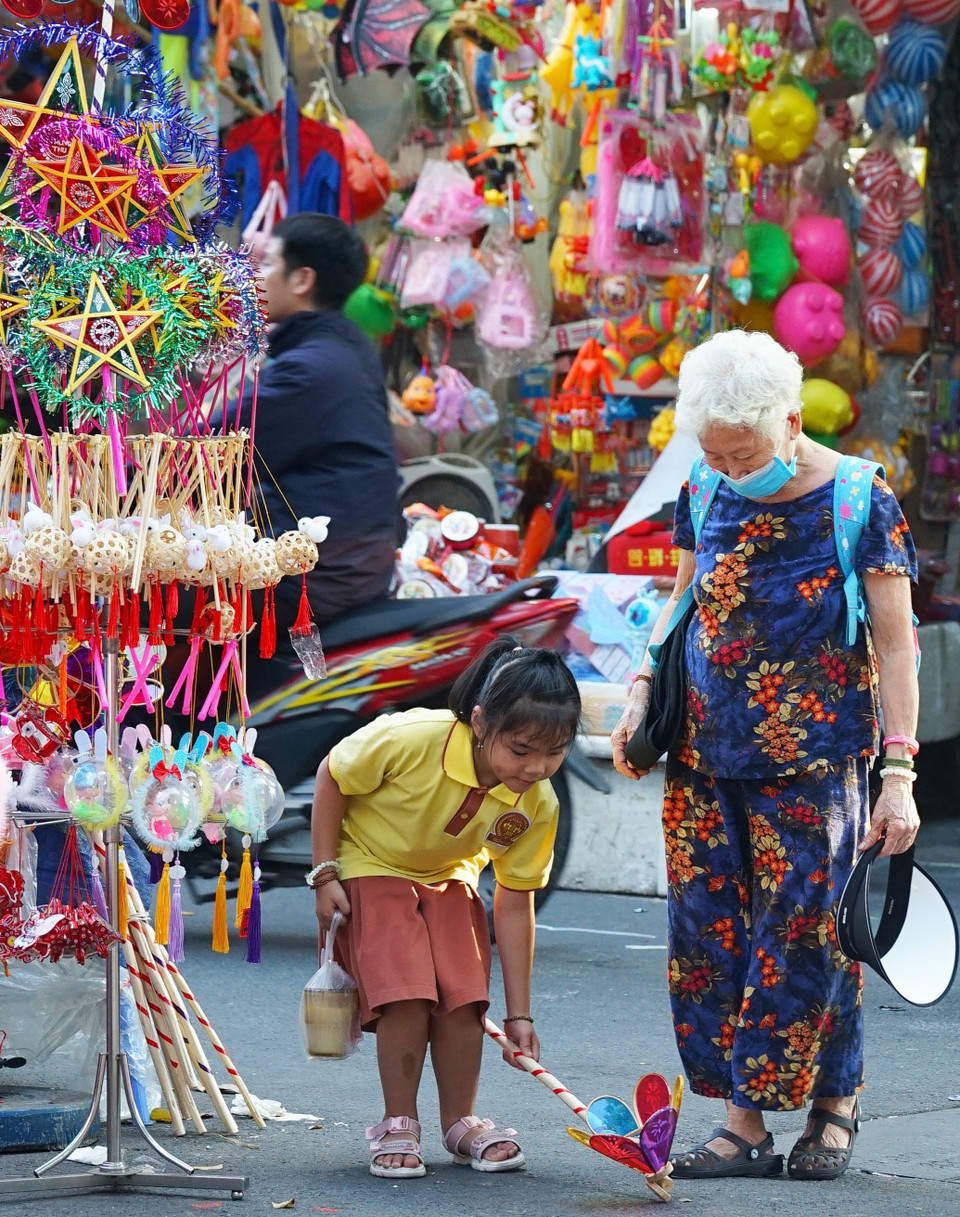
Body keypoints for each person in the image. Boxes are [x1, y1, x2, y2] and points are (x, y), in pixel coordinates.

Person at [610, 330, 920, 1182]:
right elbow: (679, 602)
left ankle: (834, 1102)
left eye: (744, 454)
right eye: (714, 453)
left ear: (790, 422)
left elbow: (897, 648)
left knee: (812, 935)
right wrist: (641, 691)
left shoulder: (860, 498)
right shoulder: (705, 482)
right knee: (708, 935)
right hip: (705, 756)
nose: (730, 470)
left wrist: (899, 774)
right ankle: (740, 1121)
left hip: (817, 760)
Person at [308, 639, 581, 1178]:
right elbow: (333, 775)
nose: (537, 767)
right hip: (370, 859)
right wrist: (324, 873)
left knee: (464, 995)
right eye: (521, 749)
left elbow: (515, 897)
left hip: (449, 875)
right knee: (407, 992)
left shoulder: (537, 801)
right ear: (480, 723)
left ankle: (460, 1122)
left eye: (555, 752)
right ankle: (398, 1121)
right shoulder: (412, 737)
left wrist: (519, 1015)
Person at [210, 212, 399, 631]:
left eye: (268, 263)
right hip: (354, 565)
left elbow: (207, 452)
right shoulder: (342, 348)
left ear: (301, 280)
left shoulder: (312, 370)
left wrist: (129, 475)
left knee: (148, 591)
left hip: (317, 577)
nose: (257, 275)